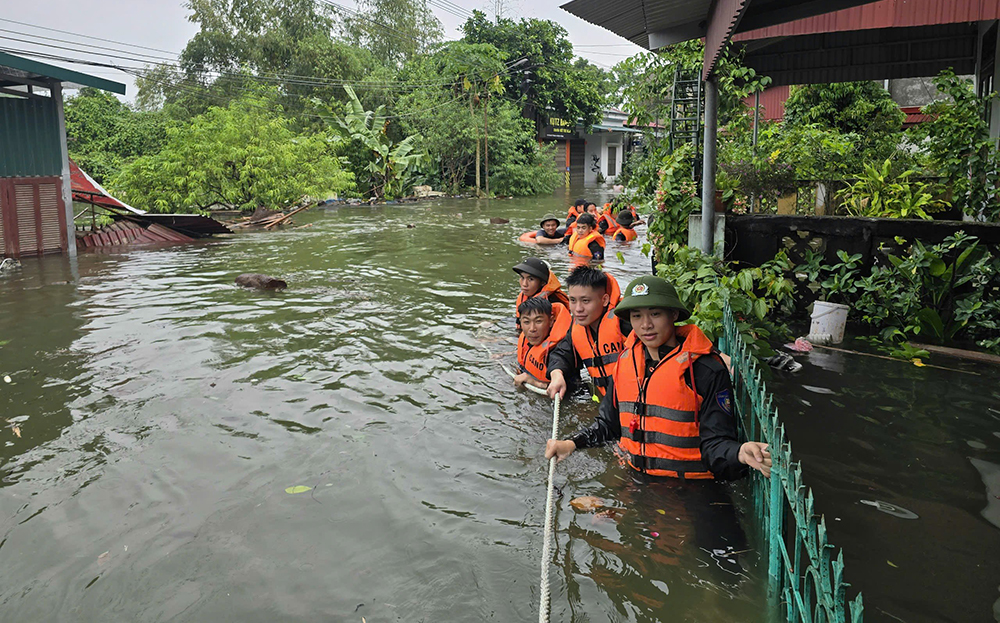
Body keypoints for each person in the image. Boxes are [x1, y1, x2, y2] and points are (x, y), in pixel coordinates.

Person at [545, 275, 772, 481]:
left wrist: (739, 452)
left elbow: (716, 444)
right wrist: (572, 443)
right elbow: (608, 424)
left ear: (673, 314)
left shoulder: (705, 369)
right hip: (636, 481)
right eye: (637, 316)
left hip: (688, 489)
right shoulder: (626, 362)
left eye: (655, 314)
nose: (646, 325)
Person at [546, 265, 628, 400]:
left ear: (604, 300)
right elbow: (561, 353)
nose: (578, 309)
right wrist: (556, 374)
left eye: (585, 301)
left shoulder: (625, 321)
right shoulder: (577, 328)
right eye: (573, 300)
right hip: (605, 403)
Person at [513, 297, 574, 391]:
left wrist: (533, 382)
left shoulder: (562, 349)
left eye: (538, 321)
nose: (532, 328)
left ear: (551, 321)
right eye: (526, 322)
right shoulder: (526, 339)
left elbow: (566, 388)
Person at [513, 257, 569, 325]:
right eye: (522, 277)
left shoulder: (552, 303)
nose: (524, 284)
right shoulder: (528, 294)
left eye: (530, 279)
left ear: (543, 282)